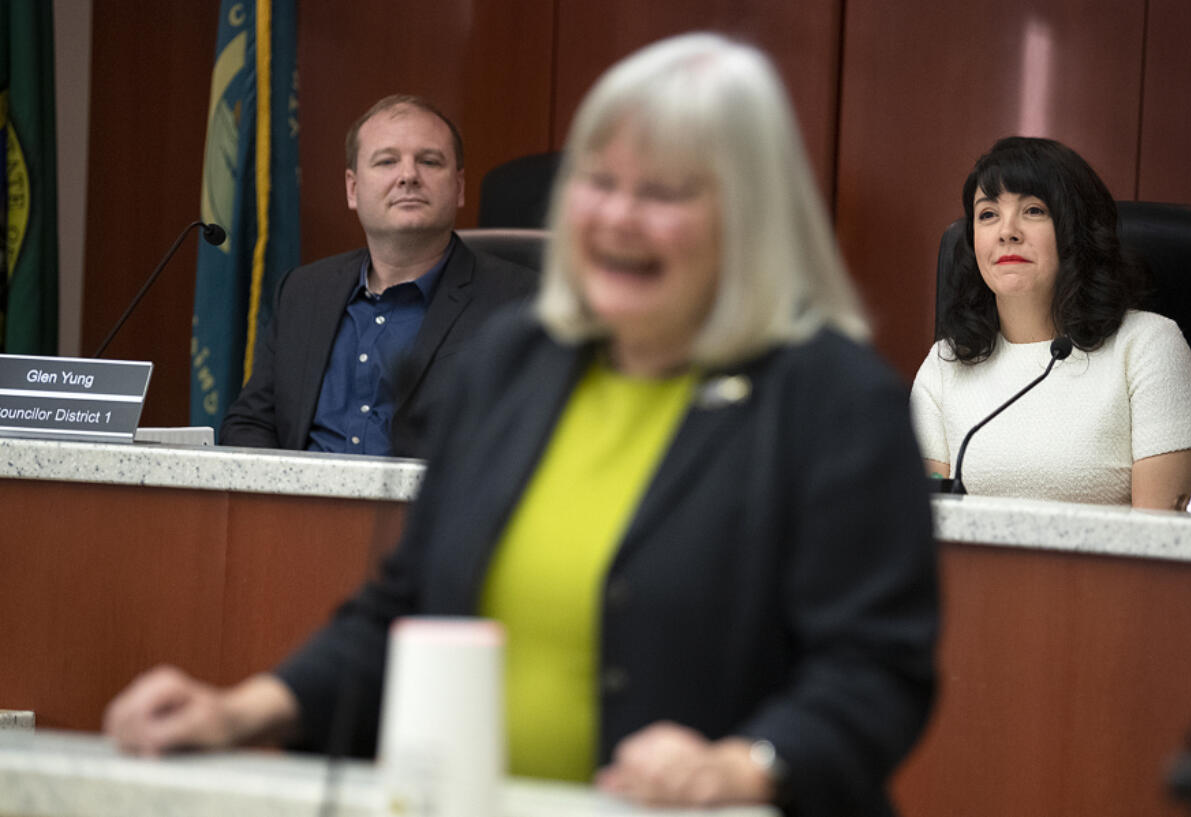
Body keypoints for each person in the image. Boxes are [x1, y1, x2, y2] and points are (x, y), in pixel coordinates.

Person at [106, 34, 938, 817]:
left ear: (751, 217)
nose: (618, 216)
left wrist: (745, 763)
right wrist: (241, 708)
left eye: (663, 193)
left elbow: (875, 672)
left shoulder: (835, 398)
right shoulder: (513, 364)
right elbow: (405, 608)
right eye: (599, 182)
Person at [219, 95, 537, 458]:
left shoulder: (520, 302)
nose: (408, 176)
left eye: (429, 161)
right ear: (353, 189)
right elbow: (250, 424)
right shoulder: (303, 293)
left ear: (459, 188)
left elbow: (528, 445)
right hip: (302, 510)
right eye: (386, 161)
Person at [912, 137, 1191, 508]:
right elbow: (925, 528)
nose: (1007, 231)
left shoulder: (1148, 345)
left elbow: (1162, 547)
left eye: (1034, 210)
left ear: (1077, 231)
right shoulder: (946, 364)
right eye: (988, 214)